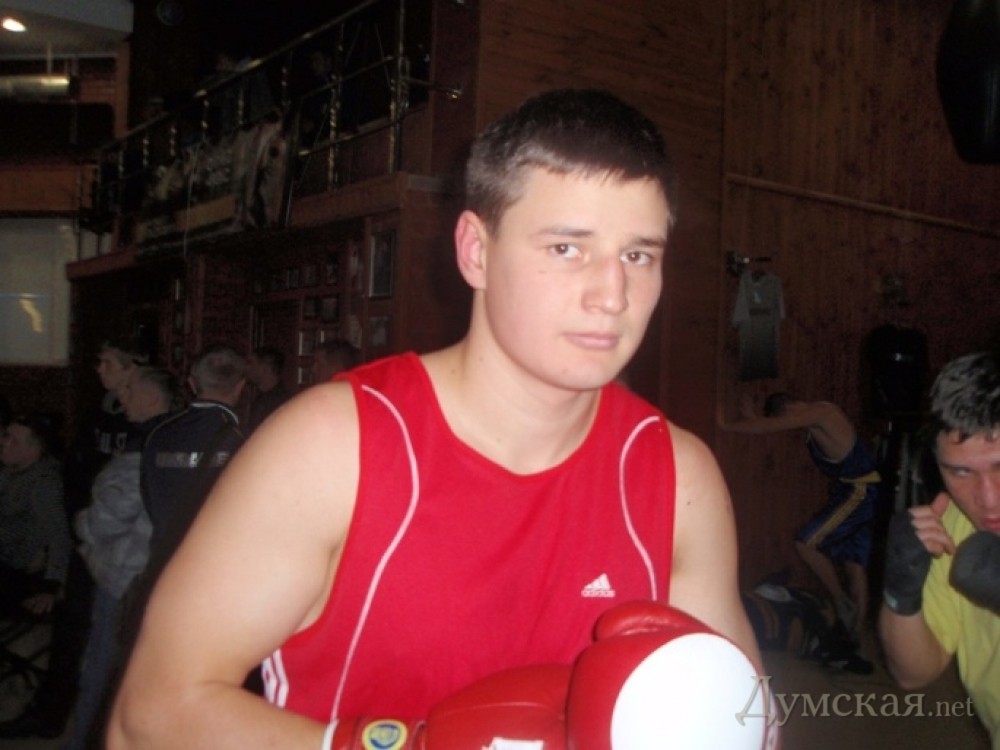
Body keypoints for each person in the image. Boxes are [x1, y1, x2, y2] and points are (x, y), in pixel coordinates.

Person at [108, 88, 763, 748]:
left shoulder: (677, 476)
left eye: (638, 255)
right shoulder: (332, 447)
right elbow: (148, 719)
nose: (612, 295)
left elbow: (749, 724)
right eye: (567, 248)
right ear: (476, 250)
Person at [879, 350, 1000, 746]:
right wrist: (901, 588)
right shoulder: (956, 526)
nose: (987, 499)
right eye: (961, 471)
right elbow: (914, 673)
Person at [66, 367, 180, 750]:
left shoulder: (145, 444)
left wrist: (81, 522)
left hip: (125, 575)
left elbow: (109, 518)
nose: (122, 398)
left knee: (101, 670)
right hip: (160, 574)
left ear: (153, 397)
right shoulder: (182, 437)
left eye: (130, 391)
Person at [719, 393, 881, 637]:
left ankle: (841, 601)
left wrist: (727, 425)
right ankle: (856, 635)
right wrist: (754, 419)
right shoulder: (811, 422)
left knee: (805, 542)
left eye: (785, 417)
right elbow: (773, 425)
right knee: (854, 562)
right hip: (856, 489)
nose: (789, 421)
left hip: (859, 491)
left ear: (789, 408)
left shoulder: (823, 414)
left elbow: (772, 426)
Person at [0, 412, 71, 618]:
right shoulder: (9, 473)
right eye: (5, 436)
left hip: (15, 569)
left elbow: (58, 536)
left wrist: (50, 586)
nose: (4, 443)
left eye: (13, 440)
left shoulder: (43, 484)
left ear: (33, 449)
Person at [245, 345, 290, 431]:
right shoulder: (260, 399)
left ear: (264, 368)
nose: (246, 368)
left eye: (250, 363)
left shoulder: (280, 403)